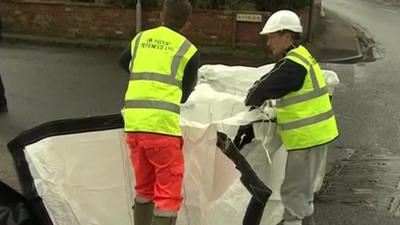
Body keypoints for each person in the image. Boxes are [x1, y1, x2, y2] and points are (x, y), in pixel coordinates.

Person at [244, 10, 339, 225]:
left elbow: (257, 93)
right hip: (315, 137)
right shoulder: (302, 57)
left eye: (271, 37)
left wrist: (257, 100)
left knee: (294, 198)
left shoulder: (292, 66)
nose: (268, 43)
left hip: (306, 140)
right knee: (303, 198)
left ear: (286, 36)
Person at [118, 1, 199, 225]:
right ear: (187, 23)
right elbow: (185, 93)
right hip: (162, 130)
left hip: (134, 126)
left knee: (144, 188)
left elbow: (123, 61)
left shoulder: (141, 39)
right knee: (167, 194)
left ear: (161, 15)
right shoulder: (188, 50)